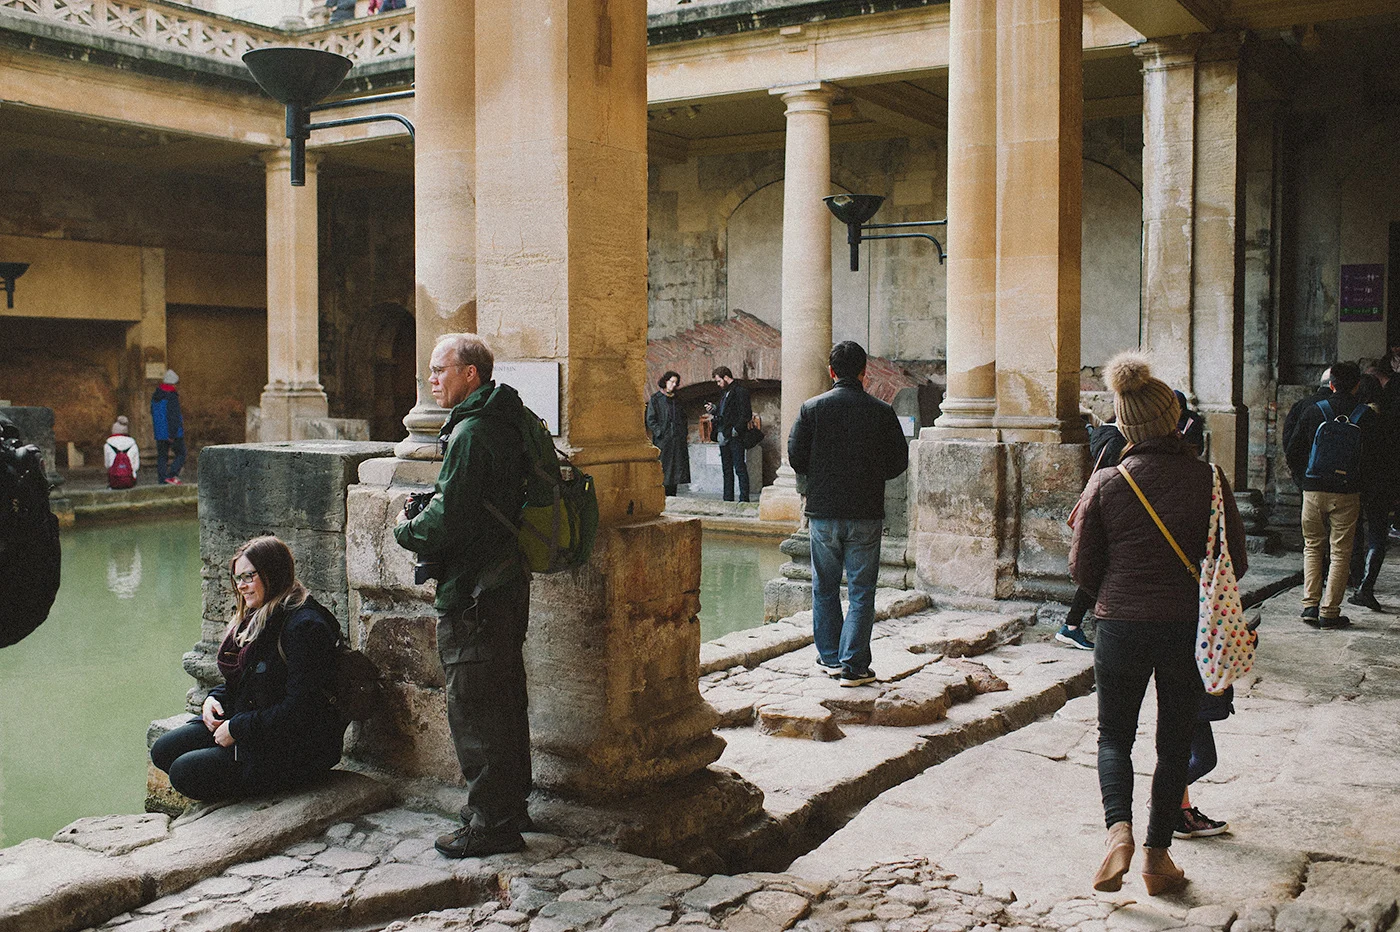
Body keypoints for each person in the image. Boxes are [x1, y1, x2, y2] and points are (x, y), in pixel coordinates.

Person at [1071, 352, 1248, 897]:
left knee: (1113, 738)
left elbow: (1081, 568)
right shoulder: (1210, 479)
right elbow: (1234, 562)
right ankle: (1156, 856)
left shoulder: (1107, 482)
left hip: (1120, 624)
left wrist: (1117, 593)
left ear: (1124, 423)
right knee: (1173, 744)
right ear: (1175, 419)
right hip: (1186, 628)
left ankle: (1117, 833)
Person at [394, 333, 533, 859]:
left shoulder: (473, 431)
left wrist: (408, 530)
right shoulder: (506, 418)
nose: (432, 380)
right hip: (504, 581)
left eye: (439, 370)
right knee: (505, 699)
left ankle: (490, 824)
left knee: (474, 708)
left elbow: (450, 519)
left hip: (473, 590)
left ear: (469, 373)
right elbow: (479, 498)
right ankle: (512, 806)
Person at [150, 537, 345, 800]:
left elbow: (302, 711)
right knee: (163, 750)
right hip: (256, 720)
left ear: (272, 574)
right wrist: (213, 699)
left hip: (294, 747)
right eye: (237, 578)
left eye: (248, 577)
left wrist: (237, 729)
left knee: (184, 772)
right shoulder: (262, 614)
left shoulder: (304, 626)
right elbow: (248, 680)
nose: (241, 586)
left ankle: (262, 780)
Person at [788, 341, 909, 687]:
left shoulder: (811, 409)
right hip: (865, 511)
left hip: (823, 510)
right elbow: (898, 461)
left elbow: (796, 456)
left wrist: (823, 473)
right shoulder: (881, 411)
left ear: (831, 372)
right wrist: (870, 475)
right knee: (861, 591)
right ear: (863, 372)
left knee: (823, 587)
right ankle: (853, 666)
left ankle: (829, 658)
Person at [1284, 361, 1381, 628]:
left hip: (1313, 489)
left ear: (1331, 384)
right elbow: (1376, 460)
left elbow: (1293, 449)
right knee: (1341, 552)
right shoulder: (1367, 416)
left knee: (1312, 546)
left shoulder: (1314, 410)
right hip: (1348, 493)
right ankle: (1330, 611)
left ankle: (1309, 606)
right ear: (1357, 385)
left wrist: (1303, 478)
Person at [1059, 416, 1127, 650]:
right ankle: (1072, 625)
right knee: (1099, 569)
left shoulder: (1103, 436)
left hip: (1097, 510)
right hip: (1107, 511)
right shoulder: (1118, 441)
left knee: (1097, 568)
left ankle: (1072, 625)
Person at [1349, 366, 1397, 610]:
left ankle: (1355, 580)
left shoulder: (1356, 418)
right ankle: (1366, 587)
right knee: (1378, 536)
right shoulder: (1390, 417)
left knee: (1354, 533)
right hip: (1383, 485)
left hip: (1357, 483)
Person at [1174, 689, 1234, 839]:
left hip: (1194, 695)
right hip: (1185, 692)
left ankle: (1181, 808)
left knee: (1198, 759)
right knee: (1202, 760)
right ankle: (1166, 801)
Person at [705, 366, 752, 502]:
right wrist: (714, 409)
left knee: (739, 468)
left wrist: (736, 430)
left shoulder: (740, 391)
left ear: (726, 377)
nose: (718, 384)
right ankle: (728, 499)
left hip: (735, 436)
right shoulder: (724, 393)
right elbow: (724, 412)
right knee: (727, 470)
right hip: (724, 435)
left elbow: (746, 414)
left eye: (719, 381)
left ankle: (744, 499)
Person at [646, 371, 690, 497]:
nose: (673, 385)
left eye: (675, 383)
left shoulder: (677, 400)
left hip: (677, 440)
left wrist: (683, 434)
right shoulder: (656, 399)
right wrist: (660, 433)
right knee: (664, 469)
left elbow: (683, 418)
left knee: (676, 470)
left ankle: (673, 496)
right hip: (663, 441)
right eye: (671, 382)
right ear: (665, 381)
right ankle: (662, 496)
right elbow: (651, 419)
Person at [150, 369, 186, 485]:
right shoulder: (172, 396)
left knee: (162, 456)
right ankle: (172, 475)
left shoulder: (156, 396)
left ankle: (162, 479)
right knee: (181, 454)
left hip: (160, 432)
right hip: (173, 433)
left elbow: (153, 413)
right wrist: (172, 434)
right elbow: (173, 416)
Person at [103, 416, 140, 489]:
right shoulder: (133, 444)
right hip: (130, 479)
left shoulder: (108, 445)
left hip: (114, 479)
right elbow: (136, 466)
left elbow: (107, 465)